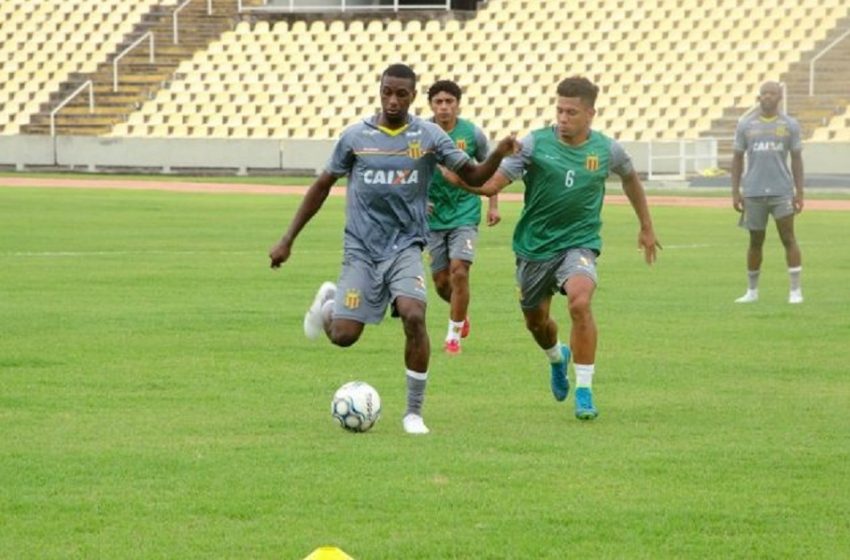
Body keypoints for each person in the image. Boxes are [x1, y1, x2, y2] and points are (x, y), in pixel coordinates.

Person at [268, 63, 519, 435]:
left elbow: (475, 176)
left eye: (402, 93)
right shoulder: (356, 137)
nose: (393, 100)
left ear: (413, 96)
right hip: (362, 250)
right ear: (380, 90)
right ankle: (329, 305)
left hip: (405, 247)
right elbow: (322, 186)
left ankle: (413, 413)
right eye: (388, 91)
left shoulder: (429, 136)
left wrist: (497, 153)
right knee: (344, 338)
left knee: (414, 314)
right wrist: (288, 239)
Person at [455, 76, 660, 420]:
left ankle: (584, 391)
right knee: (538, 324)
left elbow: (630, 178)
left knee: (580, 302)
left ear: (590, 113)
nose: (563, 118)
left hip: (579, 243)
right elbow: (492, 183)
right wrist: (461, 181)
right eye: (559, 110)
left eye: (572, 112)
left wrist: (647, 226)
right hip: (533, 248)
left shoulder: (606, 150)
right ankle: (556, 357)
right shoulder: (534, 144)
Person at [425, 79, 500, 355]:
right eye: (438, 102)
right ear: (431, 105)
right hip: (433, 216)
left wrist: (493, 204)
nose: (444, 107)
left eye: (449, 101)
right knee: (442, 283)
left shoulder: (472, 134)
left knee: (460, 270)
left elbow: (489, 168)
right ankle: (461, 313)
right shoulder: (421, 132)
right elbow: (408, 171)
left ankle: (452, 336)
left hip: (465, 210)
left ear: (458, 103)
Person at [731, 81, 805, 304]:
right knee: (755, 241)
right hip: (753, 192)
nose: (767, 97)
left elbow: (797, 159)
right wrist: (735, 190)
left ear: (780, 97)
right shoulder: (746, 125)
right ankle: (752, 292)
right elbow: (736, 158)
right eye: (764, 93)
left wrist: (799, 191)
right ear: (759, 97)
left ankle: (795, 291)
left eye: (772, 93)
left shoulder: (789, 125)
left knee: (788, 238)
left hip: (781, 191)